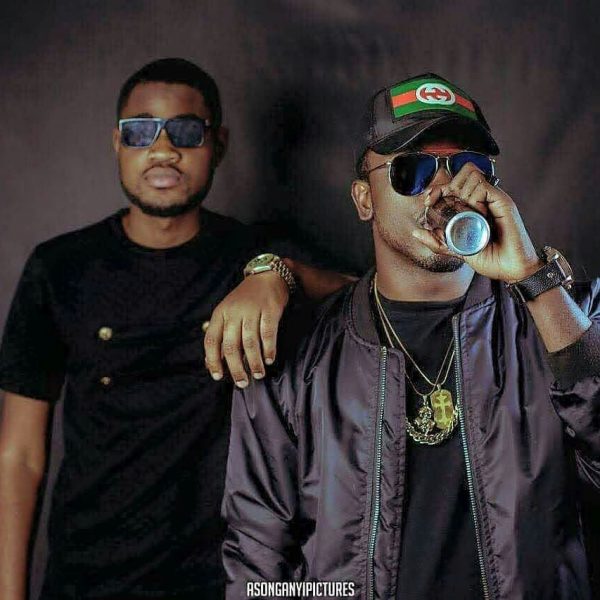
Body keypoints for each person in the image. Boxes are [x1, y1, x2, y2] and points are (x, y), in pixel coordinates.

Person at [222, 73, 600, 599]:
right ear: (364, 199)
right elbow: (257, 560)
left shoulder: (566, 321)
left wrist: (533, 278)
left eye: (467, 167)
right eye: (412, 170)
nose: (444, 188)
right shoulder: (297, 354)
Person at [0, 58, 348, 600]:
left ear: (218, 144)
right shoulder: (59, 267)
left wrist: (277, 272)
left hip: (222, 578)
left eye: (185, 131)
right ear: (117, 143)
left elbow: (365, 294)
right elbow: (19, 455)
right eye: (140, 132)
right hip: (86, 578)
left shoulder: (253, 256)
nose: (162, 150)